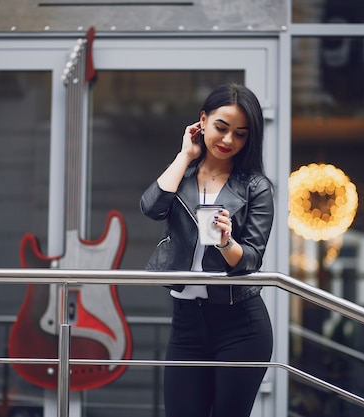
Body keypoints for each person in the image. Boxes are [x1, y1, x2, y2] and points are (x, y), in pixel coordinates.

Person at [139, 83, 274, 417]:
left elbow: (251, 260)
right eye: (221, 128)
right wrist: (185, 154)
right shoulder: (182, 174)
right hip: (186, 324)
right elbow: (151, 207)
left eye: (241, 134)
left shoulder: (256, 187)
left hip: (240, 325)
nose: (228, 140)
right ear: (203, 120)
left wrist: (228, 242)